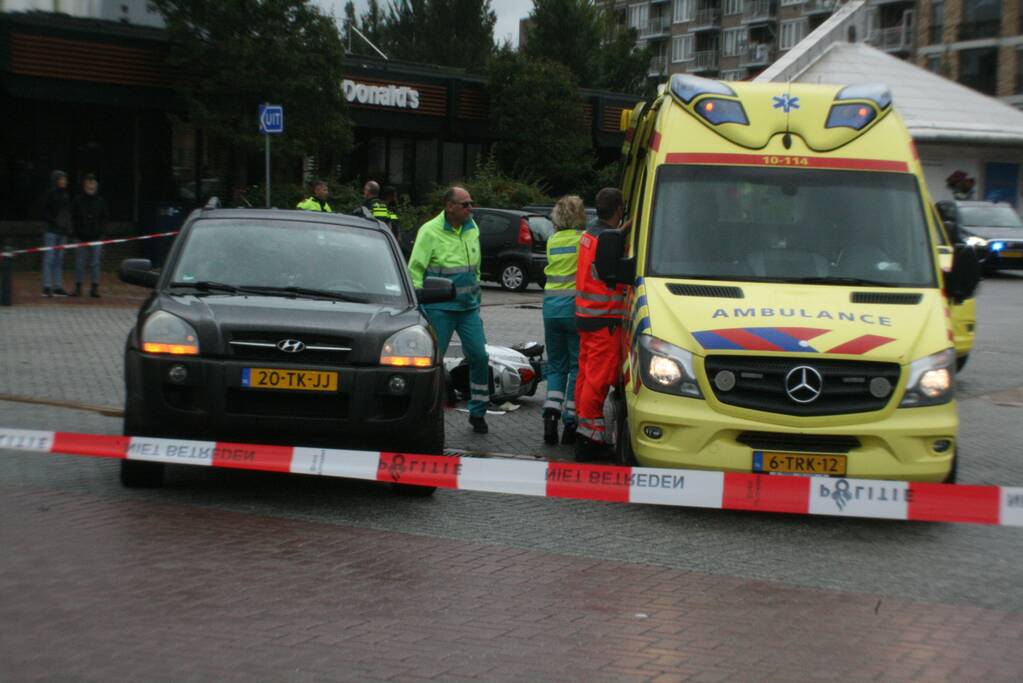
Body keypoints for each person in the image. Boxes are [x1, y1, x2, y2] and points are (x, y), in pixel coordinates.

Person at [407, 186, 491, 434]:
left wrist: (477, 293)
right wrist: (419, 303)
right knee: (432, 362)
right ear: (450, 206)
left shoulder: (472, 227)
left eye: (471, 203)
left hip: (468, 309)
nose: (470, 208)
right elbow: (415, 271)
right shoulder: (430, 231)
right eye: (465, 204)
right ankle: (425, 410)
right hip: (440, 309)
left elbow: (475, 266)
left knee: (480, 356)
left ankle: (478, 412)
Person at [574, 187, 631, 462]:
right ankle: (590, 438)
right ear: (619, 210)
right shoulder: (606, 240)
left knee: (585, 375)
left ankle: (583, 428)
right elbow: (614, 275)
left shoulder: (589, 235)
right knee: (597, 380)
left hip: (587, 317)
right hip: (604, 318)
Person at [542, 195, 585, 446]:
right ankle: (570, 422)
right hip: (574, 312)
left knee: (556, 367)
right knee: (576, 367)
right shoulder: (584, 241)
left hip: (551, 311)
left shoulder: (552, 241)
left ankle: (550, 416)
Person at [70, 173, 108, 298]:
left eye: (93, 185)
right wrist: (76, 232)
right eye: (88, 185)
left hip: (96, 237)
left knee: (95, 263)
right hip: (81, 236)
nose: (91, 187)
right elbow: (73, 217)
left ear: (96, 187)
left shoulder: (100, 201)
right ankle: (78, 287)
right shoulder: (78, 200)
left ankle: (94, 288)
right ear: (84, 186)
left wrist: (101, 233)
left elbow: (104, 218)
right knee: (79, 262)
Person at [41, 170, 72, 297]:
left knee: (59, 259)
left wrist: (66, 226)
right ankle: (47, 286)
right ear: (56, 180)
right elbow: (44, 211)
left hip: (62, 231)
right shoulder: (49, 194)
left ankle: (57, 286)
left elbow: (67, 212)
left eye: (65, 179)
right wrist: (54, 221)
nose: (64, 182)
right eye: (62, 179)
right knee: (49, 258)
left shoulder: (65, 195)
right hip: (51, 230)